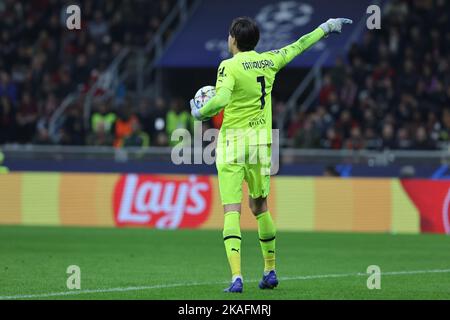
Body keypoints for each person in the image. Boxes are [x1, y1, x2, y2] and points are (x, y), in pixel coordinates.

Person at [190, 16, 352, 293]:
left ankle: (236, 277)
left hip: (232, 144)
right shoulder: (270, 60)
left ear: (233, 39)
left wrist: (199, 112)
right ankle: (270, 270)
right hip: (262, 143)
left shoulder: (228, 66)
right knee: (260, 206)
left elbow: (221, 100)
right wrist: (326, 28)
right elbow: (299, 45)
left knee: (232, 209)